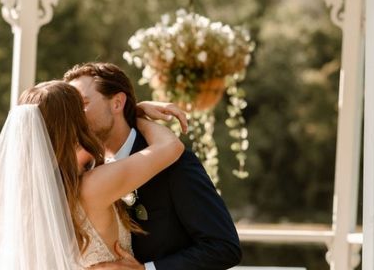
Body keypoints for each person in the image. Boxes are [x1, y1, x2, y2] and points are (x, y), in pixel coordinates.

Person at [0, 80, 184, 269]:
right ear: (73, 123)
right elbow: (171, 147)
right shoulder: (94, 186)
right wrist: (136, 114)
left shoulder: (24, 195)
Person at [65, 62, 242, 270]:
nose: (76, 116)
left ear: (117, 103)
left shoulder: (174, 164)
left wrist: (148, 269)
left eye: (83, 104)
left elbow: (224, 247)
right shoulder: (87, 167)